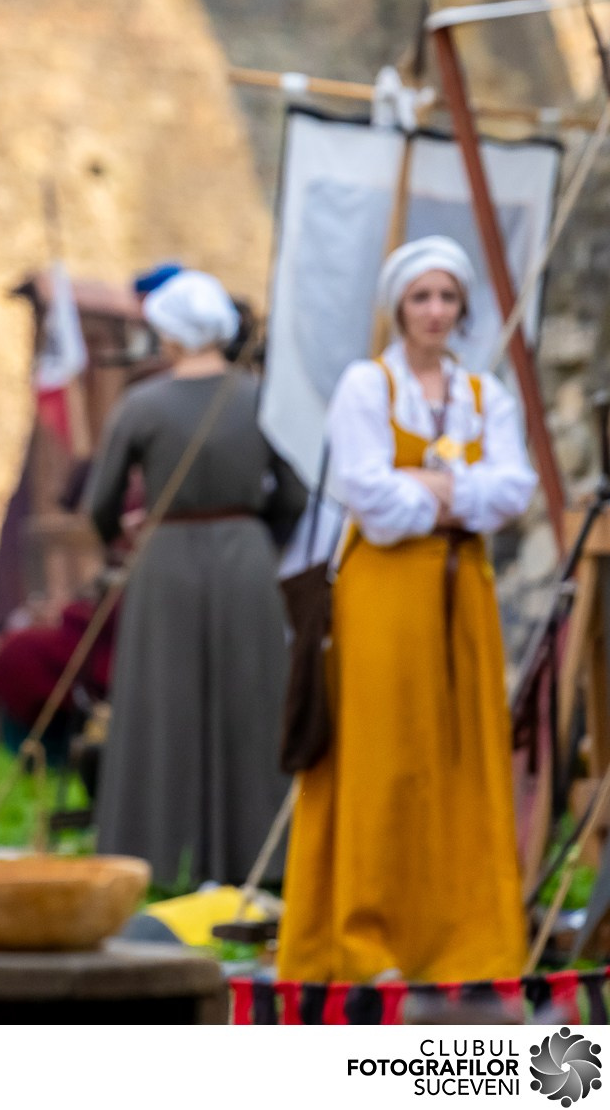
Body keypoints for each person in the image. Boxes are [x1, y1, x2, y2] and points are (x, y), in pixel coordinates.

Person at [279, 237, 534, 983]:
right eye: (421, 297)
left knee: (463, 756)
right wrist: (457, 492)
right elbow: (372, 500)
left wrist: (429, 486)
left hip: (463, 595)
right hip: (383, 596)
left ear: (462, 308)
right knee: (382, 757)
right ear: (398, 307)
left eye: (447, 297)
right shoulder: (368, 386)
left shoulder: (485, 396)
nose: (434, 311)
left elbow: (512, 491)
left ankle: (467, 942)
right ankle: (367, 941)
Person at [82, 269, 305, 886]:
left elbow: (100, 504)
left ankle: (149, 856)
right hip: (247, 563)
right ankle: (260, 860)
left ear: (171, 335)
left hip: (167, 565)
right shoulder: (261, 397)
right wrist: (257, 536)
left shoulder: (142, 404)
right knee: (250, 708)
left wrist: (127, 538)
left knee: (160, 709)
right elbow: (295, 494)